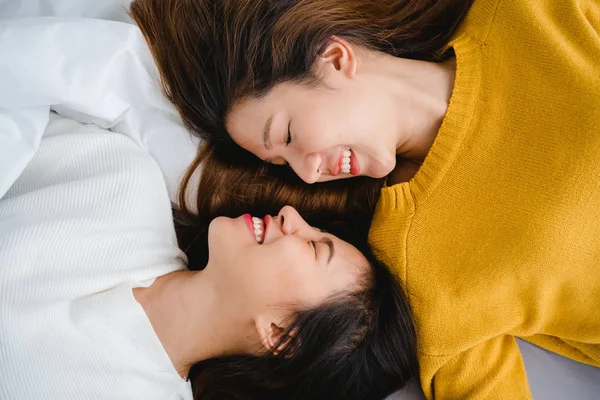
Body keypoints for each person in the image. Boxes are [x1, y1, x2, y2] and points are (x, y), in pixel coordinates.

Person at [129, 0, 600, 398]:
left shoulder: (530, 16)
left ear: (335, 59)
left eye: (288, 135)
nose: (307, 174)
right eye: (283, 164)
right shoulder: (414, 261)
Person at [0, 114, 418, 400]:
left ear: (281, 335)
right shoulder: (119, 179)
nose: (293, 216)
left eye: (313, 246)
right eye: (316, 229)